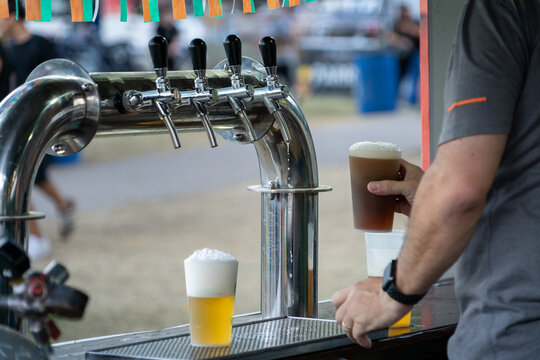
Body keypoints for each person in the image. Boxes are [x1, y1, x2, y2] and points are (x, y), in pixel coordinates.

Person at [332, 0, 540, 358]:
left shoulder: (500, 8)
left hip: (515, 335)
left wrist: (390, 292)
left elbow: (459, 191)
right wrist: (431, 198)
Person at [0, 0, 75, 259]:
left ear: (12, 16)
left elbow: (58, 78)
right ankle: (57, 212)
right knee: (22, 178)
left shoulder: (41, 45)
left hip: (39, 122)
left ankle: (38, 235)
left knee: (26, 179)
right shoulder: (6, 51)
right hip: (16, 123)